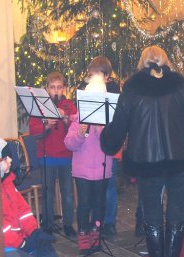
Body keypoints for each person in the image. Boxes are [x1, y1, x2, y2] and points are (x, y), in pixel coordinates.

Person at [100, 45, 184, 257]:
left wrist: (107, 139)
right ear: (165, 61)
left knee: (151, 214)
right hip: (179, 160)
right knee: (177, 213)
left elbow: (119, 124)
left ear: (142, 62)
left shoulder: (132, 87)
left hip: (146, 161)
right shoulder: (179, 85)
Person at [64, 73, 113, 254]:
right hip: (83, 171)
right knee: (84, 203)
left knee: (99, 203)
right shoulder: (78, 119)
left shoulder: (109, 120)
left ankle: (96, 232)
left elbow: (112, 144)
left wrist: (101, 131)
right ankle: (83, 234)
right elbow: (69, 144)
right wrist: (80, 134)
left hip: (102, 169)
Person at [0, 136, 57, 256]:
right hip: (5, 245)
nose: (10, 160)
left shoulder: (8, 182)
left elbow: (23, 210)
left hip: (20, 238)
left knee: (47, 251)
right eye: (5, 158)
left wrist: (34, 231)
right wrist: (22, 244)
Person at [29, 71, 77, 237]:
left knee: (68, 193)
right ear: (47, 88)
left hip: (65, 155)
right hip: (46, 155)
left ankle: (68, 225)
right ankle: (48, 225)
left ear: (63, 89)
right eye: (52, 87)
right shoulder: (39, 106)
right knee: (48, 193)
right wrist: (46, 126)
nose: (56, 91)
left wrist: (66, 120)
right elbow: (34, 132)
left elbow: (77, 128)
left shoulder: (69, 105)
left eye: (59, 87)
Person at [87, 55, 121, 239]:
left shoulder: (113, 90)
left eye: (98, 75)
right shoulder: (86, 90)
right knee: (92, 185)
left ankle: (109, 222)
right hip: (91, 147)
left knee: (109, 186)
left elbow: (118, 118)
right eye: (92, 75)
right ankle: (95, 220)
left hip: (108, 144)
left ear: (107, 76)